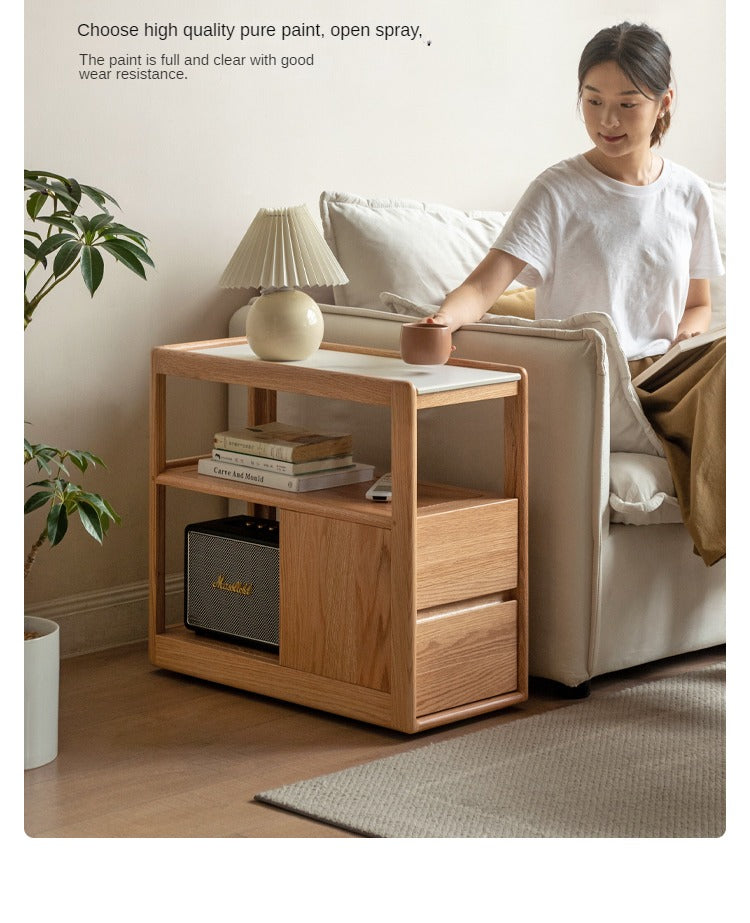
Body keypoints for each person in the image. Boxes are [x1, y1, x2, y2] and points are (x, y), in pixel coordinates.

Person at [430, 21, 725, 565]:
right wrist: (441, 322)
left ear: (664, 103)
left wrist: (685, 340)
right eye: (593, 101)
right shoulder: (558, 191)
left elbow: (698, 305)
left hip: (665, 377)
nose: (607, 121)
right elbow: (484, 284)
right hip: (597, 382)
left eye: (627, 104)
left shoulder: (688, 194)